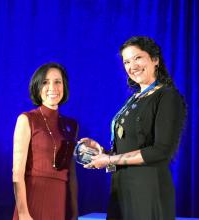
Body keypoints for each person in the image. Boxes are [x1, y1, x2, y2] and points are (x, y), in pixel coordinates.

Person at [80, 36, 186, 220]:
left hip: (148, 190)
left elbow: (161, 151)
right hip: (121, 190)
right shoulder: (134, 98)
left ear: (155, 60)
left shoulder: (168, 96)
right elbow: (128, 146)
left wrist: (110, 159)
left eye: (138, 58)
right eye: (126, 61)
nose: (132, 66)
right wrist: (103, 152)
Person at [12, 62, 78, 220]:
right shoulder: (27, 119)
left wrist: (74, 212)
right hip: (33, 200)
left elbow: (72, 174)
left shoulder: (71, 125)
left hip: (60, 202)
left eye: (58, 82)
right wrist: (23, 213)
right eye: (45, 82)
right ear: (37, 86)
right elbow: (17, 173)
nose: (52, 88)